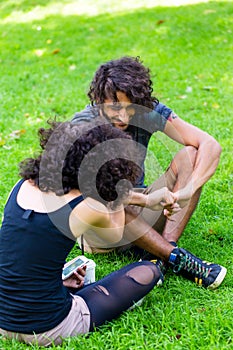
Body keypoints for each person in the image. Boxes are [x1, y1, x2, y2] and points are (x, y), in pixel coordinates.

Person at [0, 120, 168, 346]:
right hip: (49, 327)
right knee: (147, 271)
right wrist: (116, 190)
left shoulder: (21, 187)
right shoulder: (88, 207)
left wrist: (146, 200)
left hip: (3, 321)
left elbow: (23, 252)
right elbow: (115, 235)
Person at [72, 56, 227, 290]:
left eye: (130, 107)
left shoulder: (147, 111)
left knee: (191, 155)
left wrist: (189, 189)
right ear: (98, 100)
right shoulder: (84, 125)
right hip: (102, 228)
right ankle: (175, 258)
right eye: (115, 107)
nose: (123, 117)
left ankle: (162, 251)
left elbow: (209, 145)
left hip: (139, 214)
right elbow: (96, 192)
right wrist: (146, 199)